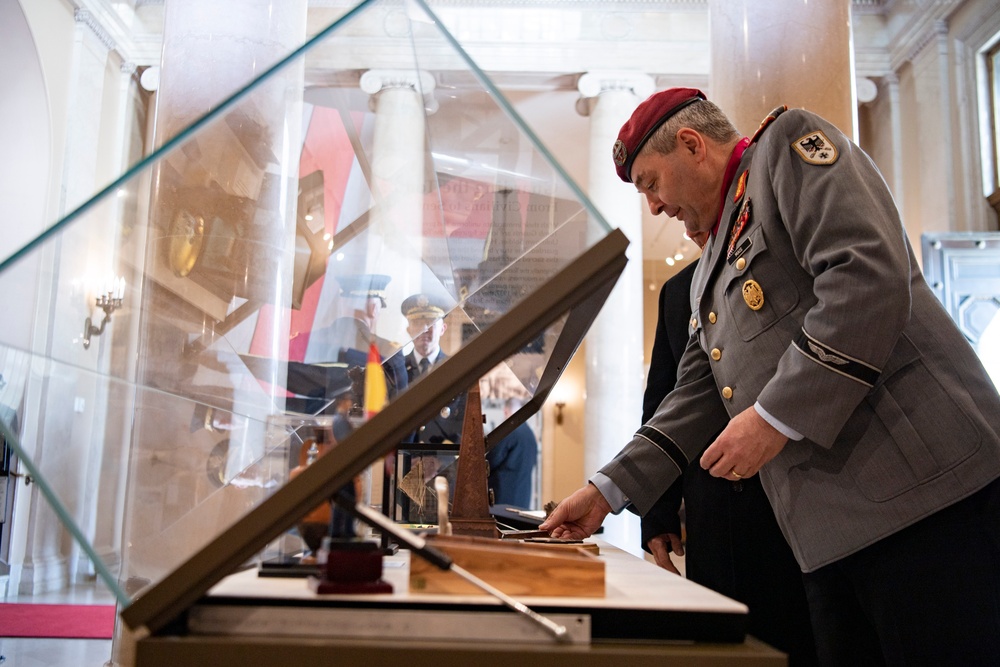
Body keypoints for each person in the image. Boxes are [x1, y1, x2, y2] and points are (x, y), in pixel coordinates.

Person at [540, 87, 1000, 665]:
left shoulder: (787, 150)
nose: (653, 206)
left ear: (692, 144)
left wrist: (775, 414)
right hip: (824, 535)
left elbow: (866, 274)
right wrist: (606, 491)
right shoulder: (709, 266)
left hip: (926, 502)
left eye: (652, 183)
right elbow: (697, 391)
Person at [642, 255, 817, 665]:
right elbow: (665, 403)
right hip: (715, 506)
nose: (659, 208)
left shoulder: (778, 263)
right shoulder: (677, 290)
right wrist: (658, 512)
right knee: (723, 643)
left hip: (796, 491)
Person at [486, 397, 538, 508]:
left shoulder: (510, 431)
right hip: (523, 498)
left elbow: (491, 461)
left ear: (506, 411)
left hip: (503, 498)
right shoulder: (529, 433)